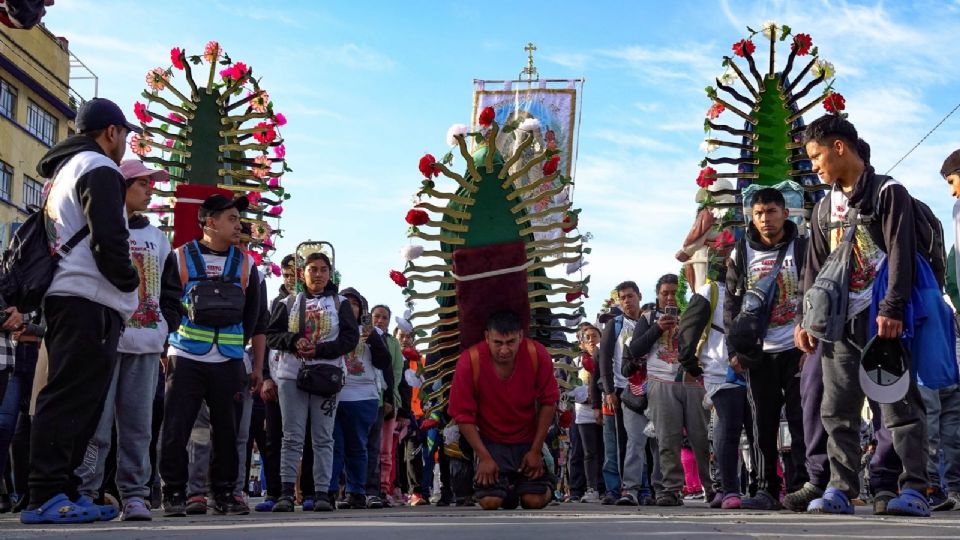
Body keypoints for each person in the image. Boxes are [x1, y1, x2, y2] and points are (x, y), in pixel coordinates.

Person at [796, 114, 929, 516]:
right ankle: (841, 489)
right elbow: (814, 269)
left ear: (840, 147)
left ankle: (915, 489)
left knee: (898, 408)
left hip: (881, 321)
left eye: (818, 156)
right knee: (836, 408)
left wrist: (891, 308)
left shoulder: (889, 193)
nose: (815, 166)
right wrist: (806, 320)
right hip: (837, 323)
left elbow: (902, 253)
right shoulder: (823, 209)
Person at [22, 98, 142, 525]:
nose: (125, 143)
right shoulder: (99, 167)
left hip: (71, 296)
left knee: (79, 397)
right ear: (111, 132)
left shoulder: (62, 173)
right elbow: (107, 236)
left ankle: (64, 489)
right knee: (71, 396)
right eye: (125, 134)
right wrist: (129, 281)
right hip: (87, 297)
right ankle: (47, 493)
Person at [71, 160, 182, 521]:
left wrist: (165, 325)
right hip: (105, 340)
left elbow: (171, 292)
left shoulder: (158, 238)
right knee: (96, 426)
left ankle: (135, 495)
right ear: (123, 186)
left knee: (137, 425)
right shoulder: (101, 226)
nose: (150, 190)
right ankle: (86, 491)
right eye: (144, 184)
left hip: (146, 343)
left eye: (152, 184)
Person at [159, 194, 264, 517]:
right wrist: (165, 350)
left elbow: (256, 318)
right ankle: (175, 492)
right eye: (231, 219)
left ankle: (224, 493)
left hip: (230, 360)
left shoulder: (247, 264)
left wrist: (256, 365)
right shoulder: (179, 258)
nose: (239, 225)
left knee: (228, 433)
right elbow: (166, 306)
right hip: (186, 357)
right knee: (177, 428)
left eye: (238, 219)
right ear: (210, 223)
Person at [724, 188, 809, 510]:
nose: (765, 219)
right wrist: (737, 349)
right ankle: (766, 489)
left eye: (771, 211)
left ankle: (801, 486)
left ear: (785, 213)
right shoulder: (741, 252)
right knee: (762, 425)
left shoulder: (802, 247)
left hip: (799, 348)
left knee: (802, 422)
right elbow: (731, 304)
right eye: (758, 213)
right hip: (760, 353)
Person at [265, 252, 359, 512]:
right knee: (292, 436)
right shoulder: (287, 302)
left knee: (323, 437)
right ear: (302, 274)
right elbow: (272, 335)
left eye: (323, 269)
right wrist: (295, 341)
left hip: (326, 376)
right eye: (312, 269)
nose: (318, 274)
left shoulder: (340, 303)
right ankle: (285, 493)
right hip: (291, 374)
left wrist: (320, 350)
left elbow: (350, 339)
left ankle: (321, 493)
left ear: (331, 273)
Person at [447, 310, 560, 510]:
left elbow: (549, 402)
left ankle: (547, 483)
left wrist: (535, 450)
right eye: (498, 343)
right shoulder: (470, 360)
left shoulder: (537, 353)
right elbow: (462, 415)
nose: (504, 350)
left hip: (528, 440)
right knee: (490, 502)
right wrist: (484, 457)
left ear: (521, 337)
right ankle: (506, 488)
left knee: (533, 501)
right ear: (486, 337)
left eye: (511, 342)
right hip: (491, 442)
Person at [628, 274, 713, 507]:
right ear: (657, 295)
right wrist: (656, 328)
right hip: (660, 381)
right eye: (665, 293)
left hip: (692, 381)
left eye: (674, 292)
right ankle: (671, 489)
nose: (670, 297)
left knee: (701, 437)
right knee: (668, 438)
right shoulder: (648, 318)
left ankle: (712, 487)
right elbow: (634, 350)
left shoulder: (693, 312)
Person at [327, 287, 392, 509]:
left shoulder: (372, 332)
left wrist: (373, 338)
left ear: (361, 308)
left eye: (355, 304)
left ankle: (357, 492)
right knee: (333, 446)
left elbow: (385, 364)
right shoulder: (331, 329)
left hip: (364, 397)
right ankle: (329, 491)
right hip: (334, 395)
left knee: (359, 447)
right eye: (346, 302)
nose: (350, 307)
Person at [598, 282, 651, 506]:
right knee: (621, 441)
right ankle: (617, 488)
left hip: (649, 388)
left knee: (646, 441)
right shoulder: (615, 324)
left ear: (639, 296)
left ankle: (647, 488)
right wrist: (609, 390)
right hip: (621, 390)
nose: (627, 301)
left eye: (630, 296)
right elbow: (604, 359)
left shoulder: (649, 322)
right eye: (623, 298)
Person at [255, 254, 297, 512]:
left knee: (307, 439)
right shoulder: (274, 303)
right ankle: (273, 492)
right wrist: (266, 377)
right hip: (277, 378)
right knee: (273, 439)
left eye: (297, 272)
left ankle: (311, 493)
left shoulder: (316, 303)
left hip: (305, 380)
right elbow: (264, 340)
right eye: (288, 273)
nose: (292, 278)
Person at [367, 304, 403, 508]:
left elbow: (396, 372)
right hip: (365, 398)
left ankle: (382, 489)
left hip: (386, 401)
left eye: (384, 318)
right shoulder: (364, 338)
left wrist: (390, 398)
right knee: (365, 446)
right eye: (376, 316)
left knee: (385, 450)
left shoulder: (393, 343)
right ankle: (362, 488)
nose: (379, 320)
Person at [574, 323, 605, 503]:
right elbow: (569, 388)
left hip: (605, 410)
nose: (592, 340)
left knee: (605, 451)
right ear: (582, 344)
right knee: (589, 452)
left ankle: (604, 487)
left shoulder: (606, 358)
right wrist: (586, 397)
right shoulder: (576, 363)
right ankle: (591, 487)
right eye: (588, 338)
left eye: (595, 336)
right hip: (584, 414)